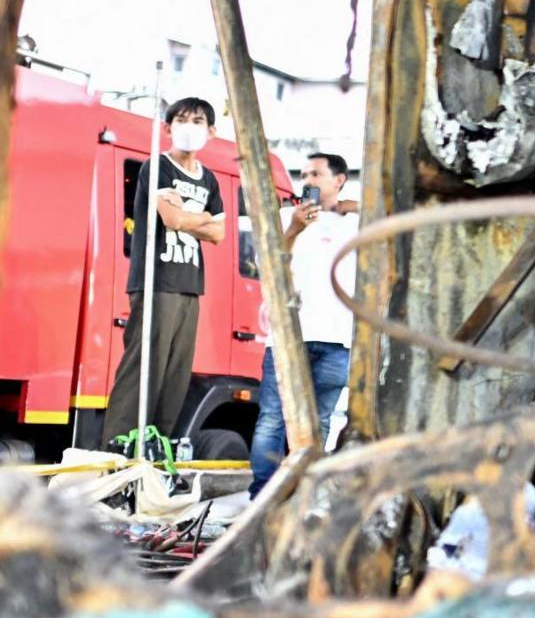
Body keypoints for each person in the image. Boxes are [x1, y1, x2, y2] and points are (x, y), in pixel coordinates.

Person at [102, 97, 227, 451]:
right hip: (157, 282)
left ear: (211, 130)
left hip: (190, 285)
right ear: (169, 128)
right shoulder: (157, 167)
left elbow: (219, 234)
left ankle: (156, 455)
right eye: (182, 120)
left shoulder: (210, 180)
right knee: (143, 370)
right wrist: (198, 218)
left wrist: (189, 216)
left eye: (198, 120)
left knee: (175, 378)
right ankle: (118, 452)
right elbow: (173, 220)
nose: (190, 126)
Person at [250, 152, 359, 494]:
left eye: (316, 174)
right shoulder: (285, 217)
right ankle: (263, 494)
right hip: (288, 337)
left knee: (319, 422)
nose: (307, 181)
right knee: (272, 418)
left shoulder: (355, 221)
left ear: (339, 180)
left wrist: (352, 206)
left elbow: (394, 216)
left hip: (337, 338)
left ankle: (301, 493)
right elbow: (266, 263)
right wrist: (295, 229)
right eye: (304, 174)